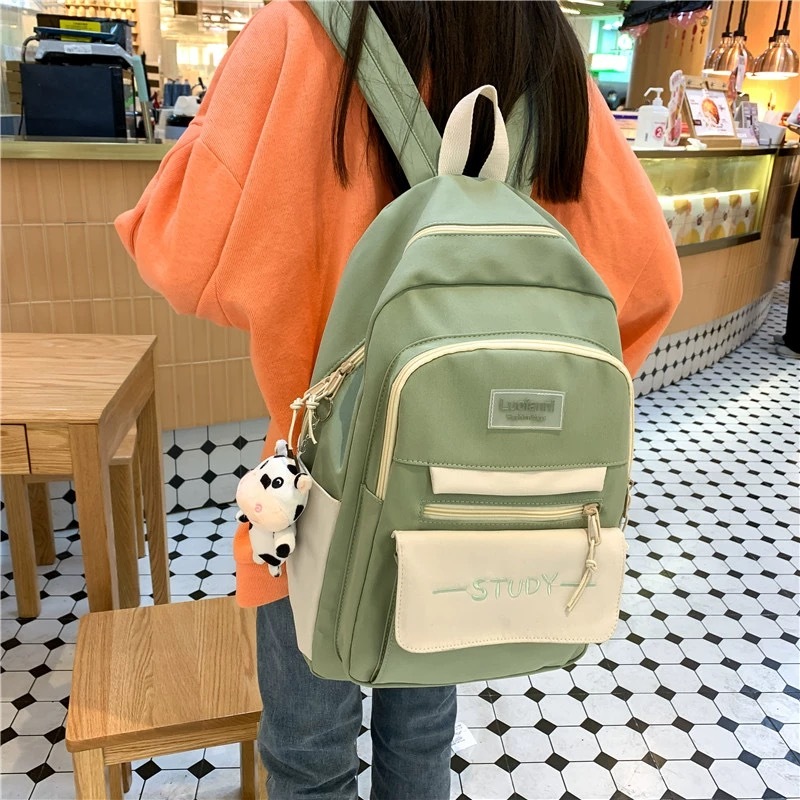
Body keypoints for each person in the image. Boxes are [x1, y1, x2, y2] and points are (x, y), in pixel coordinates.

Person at [116, 2, 682, 797]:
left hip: (313, 496)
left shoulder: (296, 31)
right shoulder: (546, 48)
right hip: (459, 496)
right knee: (420, 737)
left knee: (310, 755)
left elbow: (175, 247)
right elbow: (650, 282)